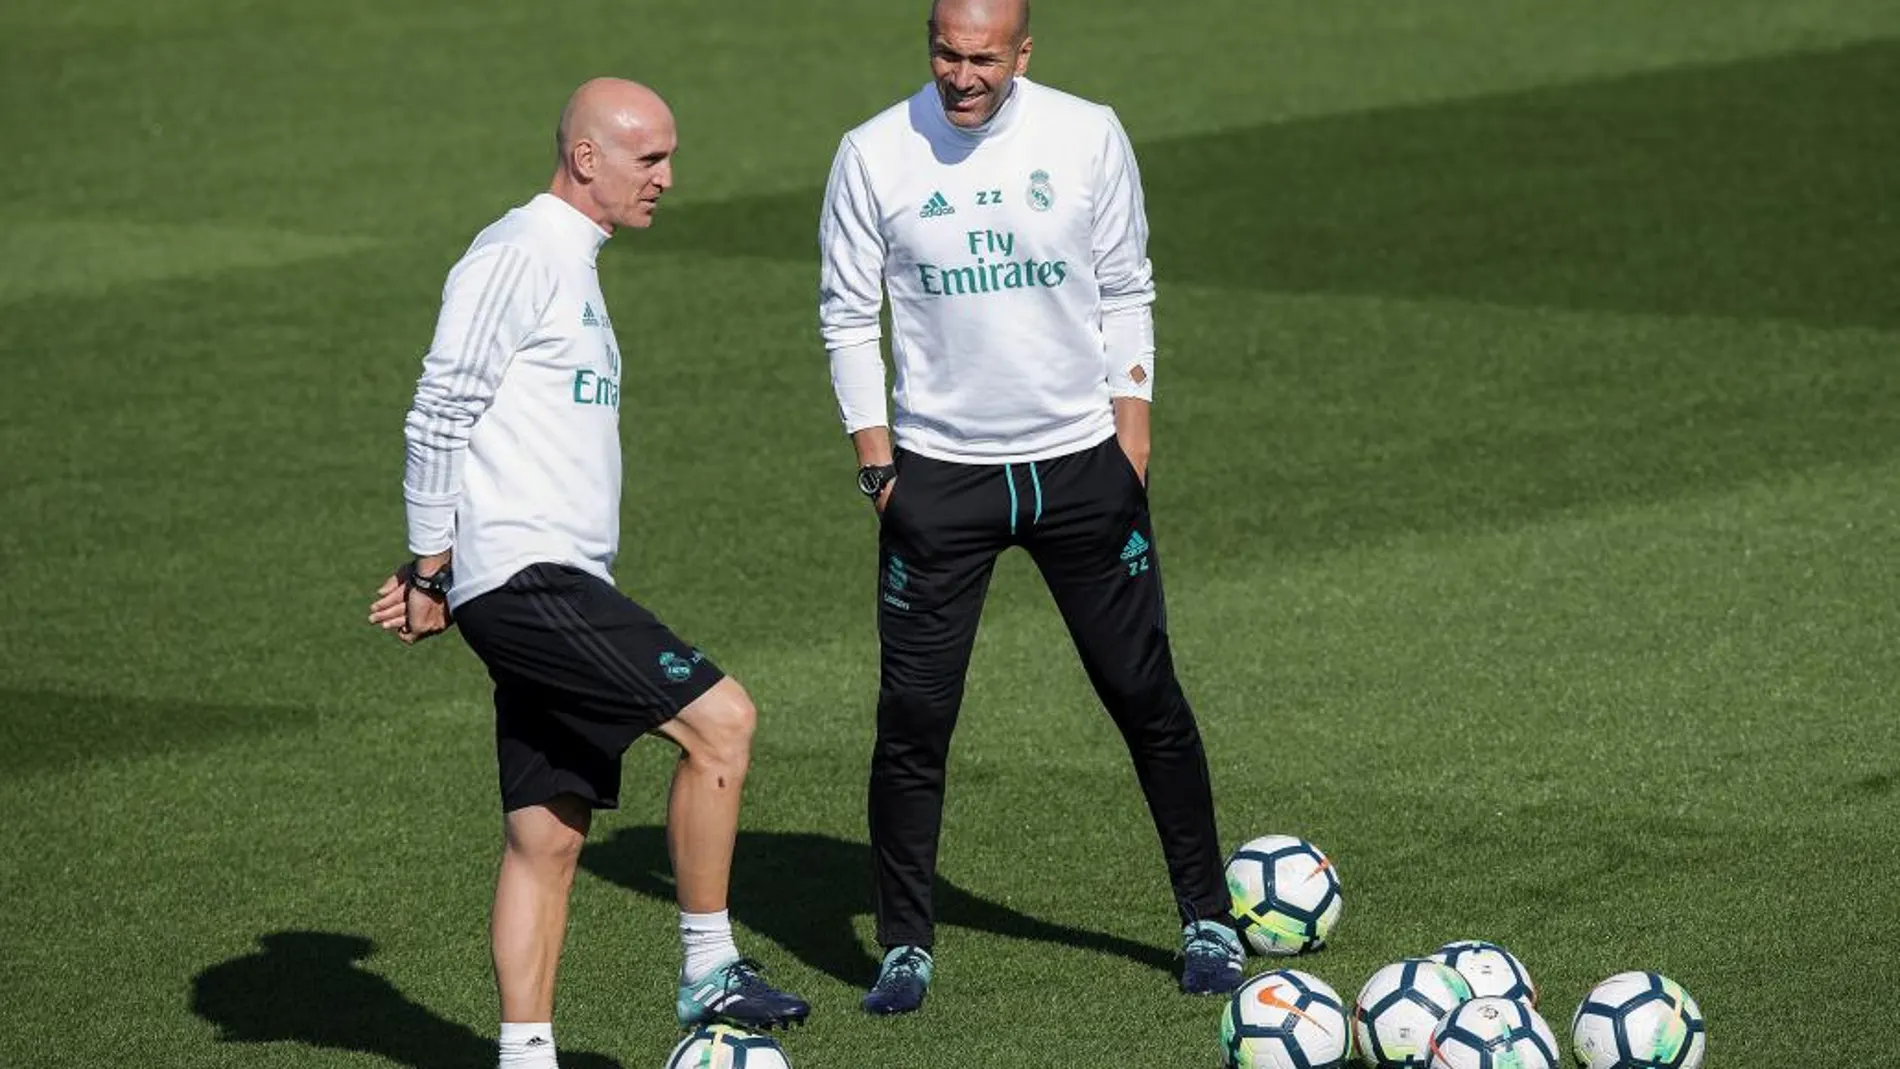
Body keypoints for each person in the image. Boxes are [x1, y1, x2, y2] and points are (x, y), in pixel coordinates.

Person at [367, 77, 808, 1068]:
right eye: (648, 159)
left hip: (539, 576)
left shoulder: (574, 264)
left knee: (548, 833)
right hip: (531, 579)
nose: (667, 178)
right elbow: (440, 407)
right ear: (586, 158)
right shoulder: (519, 253)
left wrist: (436, 562)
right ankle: (709, 964)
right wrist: (437, 568)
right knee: (723, 720)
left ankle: (525, 1056)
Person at [816, 0, 1246, 1016]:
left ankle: (1205, 918)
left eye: (983, 59)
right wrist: (877, 469)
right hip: (940, 480)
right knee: (913, 720)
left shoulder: (1086, 132)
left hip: (1078, 470)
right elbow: (846, 313)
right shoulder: (873, 153)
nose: (962, 78)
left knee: (1145, 697)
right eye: (944, 55)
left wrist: (1129, 435)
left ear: (1021, 52)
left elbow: (1125, 283)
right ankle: (905, 945)